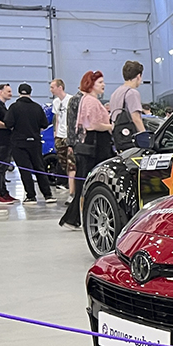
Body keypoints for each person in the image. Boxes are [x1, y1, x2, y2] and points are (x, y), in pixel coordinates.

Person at [60, 71, 113, 229]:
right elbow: (93, 125)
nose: (103, 85)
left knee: (85, 183)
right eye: (100, 82)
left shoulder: (88, 100)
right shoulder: (91, 101)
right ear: (91, 84)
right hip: (94, 147)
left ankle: (74, 217)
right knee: (88, 183)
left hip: (91, 146)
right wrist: (110, 126)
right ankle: (73, 217)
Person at [4, 83, 53, 204]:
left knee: (25, 170)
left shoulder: (14, 107)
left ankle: (31, 196)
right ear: (30, 92)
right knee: (39, 168)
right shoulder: (37, 107)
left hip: (19, 143)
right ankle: (48, 195)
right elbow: (44, 124)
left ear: (19, 93)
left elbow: (8, 123)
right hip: (35, 142)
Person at [107, 60, 146, 149]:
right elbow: (136, 118)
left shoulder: (115, 93)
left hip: (118, 137)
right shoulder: (132, 93)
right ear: (139, 76)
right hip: (130, 138)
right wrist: (145, 137)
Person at [50, 78, 77, 197]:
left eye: (52, 87)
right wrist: (55, 133)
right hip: (60, 136)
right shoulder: (56, 102)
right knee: (63, 163)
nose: (51, 90)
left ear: (60, 87)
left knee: (72, 164)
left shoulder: (70, 100)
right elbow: (56, 118)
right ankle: (67, 184)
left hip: (68, 136)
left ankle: (73, 190)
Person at [0, 83, 16, 204]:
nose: (11, 94)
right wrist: (9, 126)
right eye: (8, 91)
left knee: (3, 167)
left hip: (6, 141)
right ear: (0, 92)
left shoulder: (3, 106)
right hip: (0, 142)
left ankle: (3, 191)